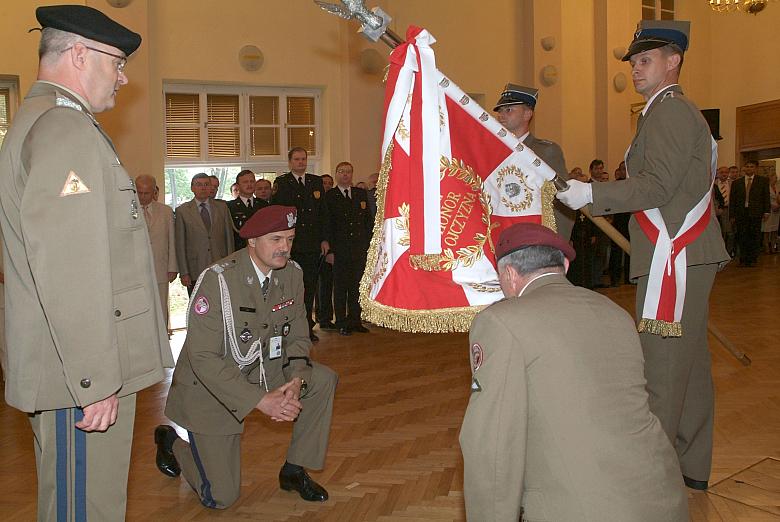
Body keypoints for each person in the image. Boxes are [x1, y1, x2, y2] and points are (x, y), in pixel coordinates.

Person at [0, 6, 173, 520]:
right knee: (83, 508)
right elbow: (70, 269)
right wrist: (96, 381)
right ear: (79, 53)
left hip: (71, 370)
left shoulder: (44, 123)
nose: (123, 77)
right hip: (79, 377)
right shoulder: (64, 129)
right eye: (117, 62)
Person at [556, 20, 730, 490]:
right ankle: (691, 467)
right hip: (684, 252)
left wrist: (592, 194)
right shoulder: (664, 111)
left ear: (673, 61)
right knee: (688, 366)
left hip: (675, 254)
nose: (635, 68)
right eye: (633, 61)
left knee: (663, 367)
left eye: (645, 59)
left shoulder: (670, 111)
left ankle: (655, 480)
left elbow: (658, 186)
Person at [460, 222, 687, 521]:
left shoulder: (501, 322)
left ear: (509, 274)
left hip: (583, 508)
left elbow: (492, 444)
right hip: (663, 496)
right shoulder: (614, 312)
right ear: (564, 265)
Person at [156, 205, 338, 509]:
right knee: (221, 497)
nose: (285, 248)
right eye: (276, 239)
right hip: (211, 388)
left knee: (321, 380)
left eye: (290, 239)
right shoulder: (218, 280)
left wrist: (295, 381)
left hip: (264, 368)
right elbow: (203, 358)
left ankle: (294, 470)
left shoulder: (291, 274)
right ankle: (171, 443)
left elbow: (298, 337)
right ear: (252, 240)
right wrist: (262, 401)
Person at [494, 83, 574, 241]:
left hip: (534, 237)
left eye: (508, 110)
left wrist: (557, 243)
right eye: (500, 111)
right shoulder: (494, 152)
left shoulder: (544, 151)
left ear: (527, 114)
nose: (501, 115)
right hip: (503, 235)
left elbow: (562, 202)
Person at [272, 147, 330, 342]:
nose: (301, 162)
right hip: (292, 246)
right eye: (297, 159)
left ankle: (306, 327)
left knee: (309, 287)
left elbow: (323, 213)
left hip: (312, 244)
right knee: (290, 288)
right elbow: (279, 214)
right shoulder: (282, 183)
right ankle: (289, 329)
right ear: (290, 162)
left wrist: (324, 239)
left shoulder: (315, 182)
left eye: (303, 159)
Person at [323, 162, 373, 336]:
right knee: (340, 287)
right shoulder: (330, 196)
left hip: (358, 249)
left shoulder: (360, 194)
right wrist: (329, 251)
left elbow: (367, 222)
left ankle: (355, 320)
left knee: (356, 286)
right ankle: (341, 322)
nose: (345, 175)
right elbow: (327, 224)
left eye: (349, 172)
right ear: (336, 174)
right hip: (339, 250)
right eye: (342, 172)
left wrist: (368, 246)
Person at [175, 172, 235, 294]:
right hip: (195, 269)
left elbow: (229, 238)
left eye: (206, 184)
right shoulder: (182, 211)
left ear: (211, 187)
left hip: (221, 266)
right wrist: (184, 272)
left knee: (222, 304)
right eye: (199, 184)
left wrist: (231, 265)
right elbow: (180, 245)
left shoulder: (222, 207)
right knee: (199, 306)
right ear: (192, 188)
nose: (203, 188)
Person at [136, 174, 178, 325]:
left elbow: (172, 240)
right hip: (136, 272)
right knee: (139, 310)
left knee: (160, 309)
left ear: (154, 192)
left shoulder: (166, 211)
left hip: (161, 268)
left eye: (146, 193)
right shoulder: (127, 211)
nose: (142, 196)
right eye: (139, 192)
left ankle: (163, 344)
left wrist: (173, 267)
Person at [730, 160, 770, 266]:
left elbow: (766, 197)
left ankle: (752, 259)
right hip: (741, 213)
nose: (749, 168)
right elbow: (732, 200)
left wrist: (767, 211)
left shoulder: (763, 181)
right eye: (747, 166)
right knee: (742, 236)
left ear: (756, 168)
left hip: (756, 212)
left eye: (751, 166)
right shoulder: (737, 183)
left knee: (754, 236)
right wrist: (732, 215)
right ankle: (743, 259)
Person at [226, 169, 266, 250]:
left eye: (252, 181)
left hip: (261, 249)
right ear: (237, 186)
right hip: (239, 250)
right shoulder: (229, 206)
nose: (249, 184)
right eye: (245, 182)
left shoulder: (263, 204)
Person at [316, 174, 337, 329]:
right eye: (324, 183)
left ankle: (327, 318)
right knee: (319, 286)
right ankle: (321, 316)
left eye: (330, 183)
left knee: (327, 284)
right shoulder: (316, 201)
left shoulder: (332, 199)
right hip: (314, 248)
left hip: (330, 249)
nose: (327, 185)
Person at [762, 173, 779, 253]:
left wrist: (778, 205)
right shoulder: (765, 187)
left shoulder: (777, 187)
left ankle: (773, 246)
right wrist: (771, 205)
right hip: (768, 210)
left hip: (777, 210)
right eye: (775, 177)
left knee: (774, 229)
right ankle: (766, 247)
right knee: (767, 229)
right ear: (770, 178)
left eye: (776, 178)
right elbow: (764, 198)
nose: (776, 179)